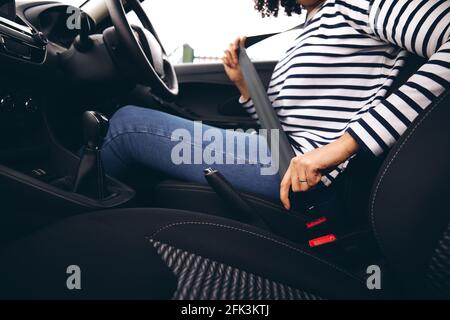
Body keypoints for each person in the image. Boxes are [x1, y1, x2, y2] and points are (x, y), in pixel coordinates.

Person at [101, 0, 450, 213]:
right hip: (282, 153)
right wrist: (245, 88)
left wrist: (341, 147)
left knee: (127, 127)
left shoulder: (358, 2)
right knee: (130, 125)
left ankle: (70, 211)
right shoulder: (310, 27)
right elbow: (280, 128)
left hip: (297, 166)